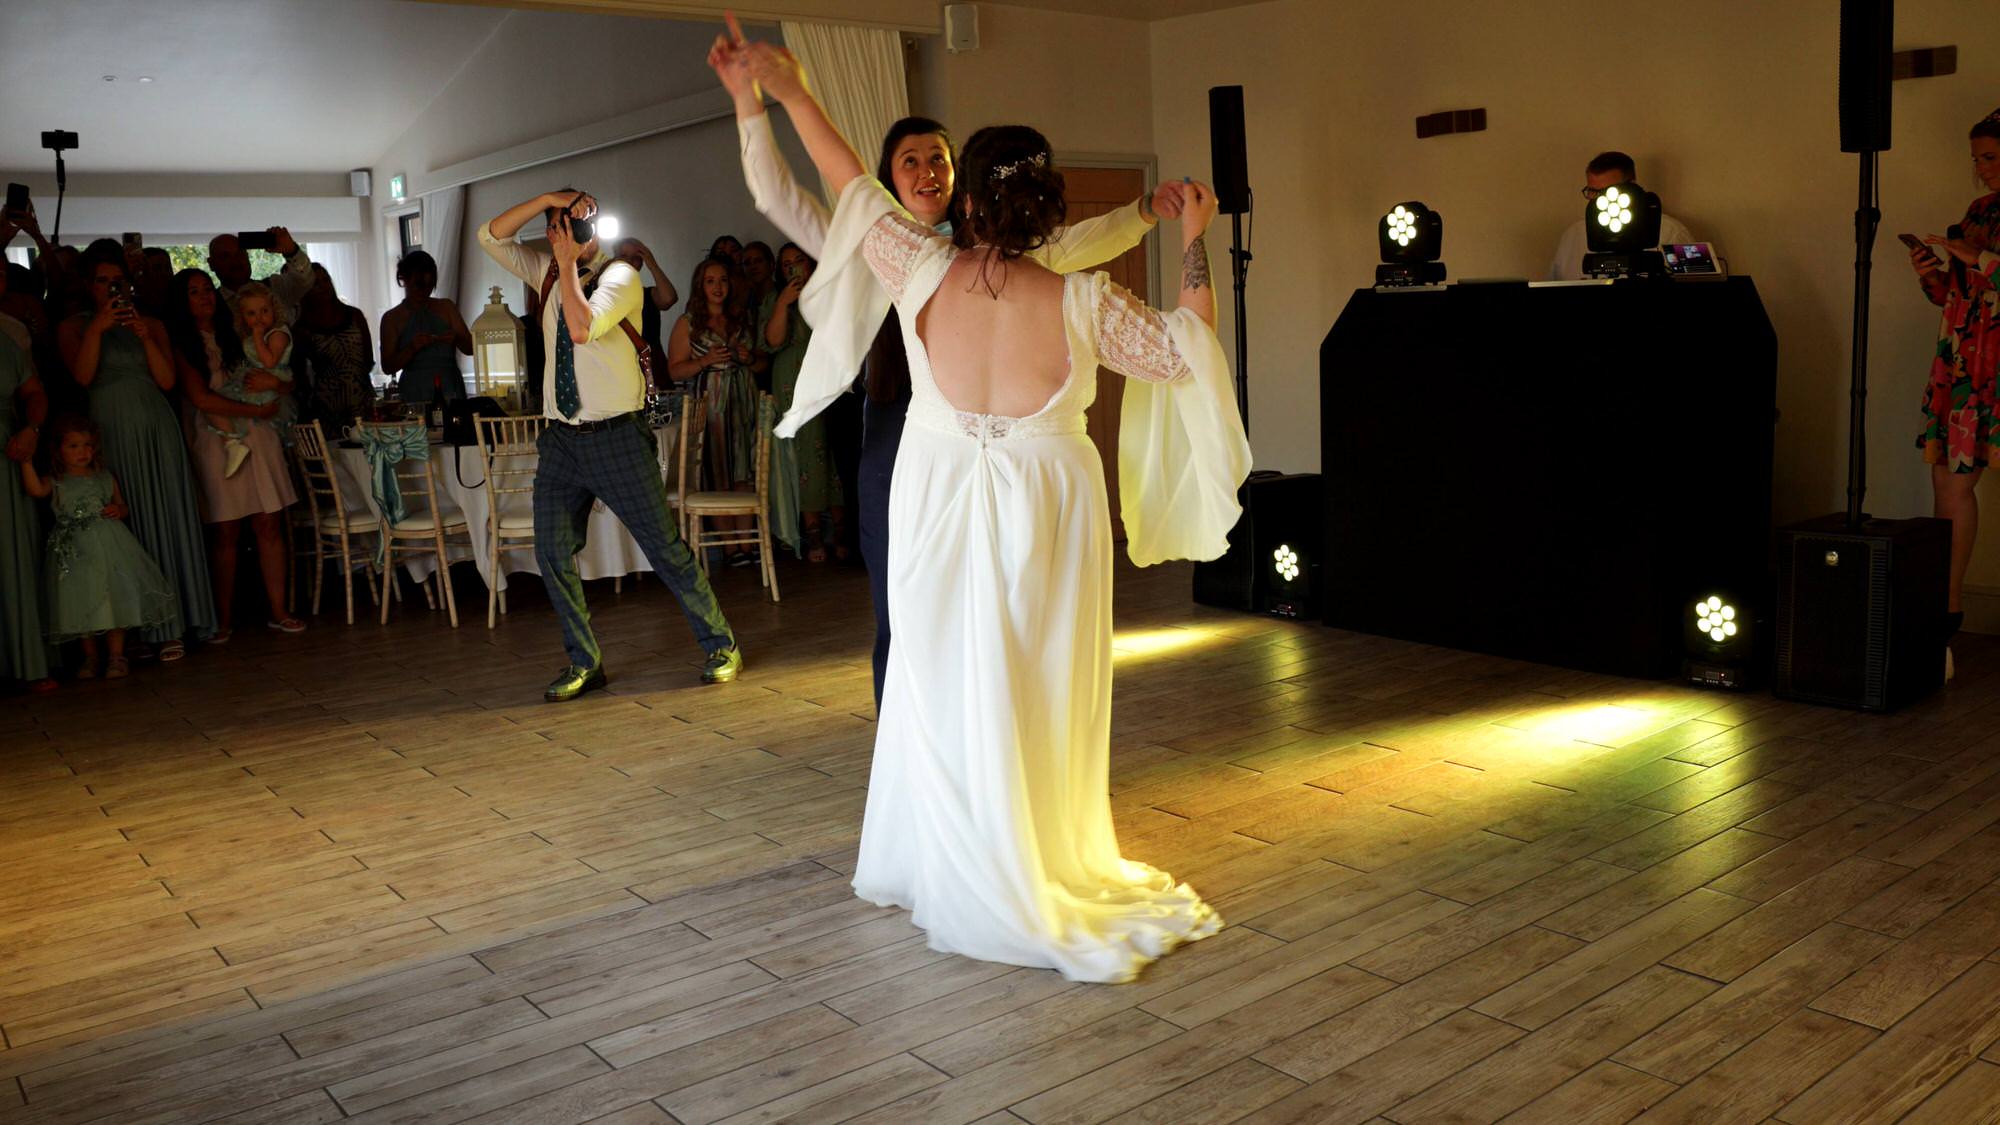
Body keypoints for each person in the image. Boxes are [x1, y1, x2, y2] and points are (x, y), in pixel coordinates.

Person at [730, 35, 1250, 982]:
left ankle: (943, 855)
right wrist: (1195, 238)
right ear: (1046, 207)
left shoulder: (917, 269)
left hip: (933, 498)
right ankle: (1033, 855)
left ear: (965, 199)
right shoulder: (1084, 299)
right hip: (1045, 508)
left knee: (936, 676)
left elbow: (847, 181)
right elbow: (1190, 352)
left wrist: (791, 89)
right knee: (1035, 683)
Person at [713, 32, 1184, 709]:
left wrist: (1144, 212)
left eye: (939, 158)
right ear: (888, 177)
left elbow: (1079, 243)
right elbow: (777, 194)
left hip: (990, 443)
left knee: (992, 603)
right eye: (910, 161)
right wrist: (748, 103)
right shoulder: (869, 240)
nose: (928, 170)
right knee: (904, 601)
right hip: (891, 434)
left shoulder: (999, 256)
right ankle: (905, 740)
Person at [478, 189, 741, 699]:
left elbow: (581, 329)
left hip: (617, 435)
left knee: (665, 549)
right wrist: (547, 200)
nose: (559, 232)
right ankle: (584, 662)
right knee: (552, 552)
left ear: (590, 231)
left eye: (568, 224)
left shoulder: (620, 276)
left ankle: (721, 644)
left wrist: (565, 261)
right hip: (560, 441)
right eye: (555, 225)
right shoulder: (549, 272)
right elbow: (489, 235)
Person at [62, 251, 214, 658]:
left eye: (118, 281)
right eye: (102, 281)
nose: (112, 288)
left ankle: (178, 623)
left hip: (155, 426)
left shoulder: (154, 325)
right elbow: (81, 376)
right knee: (124, 526)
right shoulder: (74, 328)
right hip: (109, 430)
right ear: (89, 285)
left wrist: (144, 336)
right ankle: (134, 630)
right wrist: (99, 328)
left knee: (167, 517)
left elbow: (166, 380)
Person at [169, 268, 304, 640]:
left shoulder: (239, 332)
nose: (204, 297)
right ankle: (222, 617)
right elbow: (200, 397)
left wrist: (278, 385)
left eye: (207, 289)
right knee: (225, 528)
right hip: (216, 437)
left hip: (260, 435)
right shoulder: (182, 343)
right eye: (194, 292)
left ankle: (278, 609)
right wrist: (254, 411)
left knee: (268, 522)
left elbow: (280, 371)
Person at [1911, 107, 2000, 637]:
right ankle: (1946, 607)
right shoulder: (1977, 211)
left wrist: (1978, 257)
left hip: (1992, 357)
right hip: (1964, 355)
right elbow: (1962, 295)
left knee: (1956, 480)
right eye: (1977, 159)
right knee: (1946, 479)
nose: (1982, 168)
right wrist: (1933, 276)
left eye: (1989, 157)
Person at [21, 415, 179, 680]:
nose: (83, 452)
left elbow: (122, 505)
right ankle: (91, 657)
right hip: (75, 550)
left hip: (108, 543)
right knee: (79, 599)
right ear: (58, 449)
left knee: (114, 595)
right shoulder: (57, 480)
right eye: (73, 446)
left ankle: (117, 655)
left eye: (87, 445)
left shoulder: (104, 476)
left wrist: (118, 509)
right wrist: (26, 461)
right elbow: (37, 490)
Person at [667, 255, 760, 562]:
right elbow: (674, 371)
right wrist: (704, 361)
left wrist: (747, 358)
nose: (717, 287)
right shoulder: (688, 323)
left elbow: (763, 362)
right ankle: (730, 546)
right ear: (700, 286)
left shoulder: (741, 317)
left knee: (743, 470)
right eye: (710, 281)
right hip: (712, 404)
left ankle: (748, 543)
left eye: (722, 280)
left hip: (743, 400)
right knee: (717, 471)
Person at [761, 243, 843, 561]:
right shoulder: (774, 299)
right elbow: (772, 340)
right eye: (787, 265)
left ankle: (841, 527)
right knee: (805, 454)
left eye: (800, 261)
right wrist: (784, 302)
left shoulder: (829, 291)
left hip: (828, 379)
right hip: (791, 383)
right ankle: (812, 533)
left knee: (834, 452)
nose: (794, 268)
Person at [1, 329, 54, 692]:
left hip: (7, 447)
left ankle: (27, 661)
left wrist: (31, 428)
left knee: (14, 550)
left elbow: (34, 392)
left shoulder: (5, 342)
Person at [1548, 151, 1696, 281]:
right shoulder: (1572, 236)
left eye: (1608, 192)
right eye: (1593, 191)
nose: (1599, 201)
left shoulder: (1671, 233)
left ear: (1632, 186)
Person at [197, 283, 292, 476]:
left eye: (264, 311)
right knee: (212, 407)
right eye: (251, 314)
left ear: (274, 309)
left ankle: (233, 444)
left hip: (270, 381)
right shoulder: (249, 335)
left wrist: (257, 337)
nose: (259, 318)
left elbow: (269, 361)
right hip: (253, 379)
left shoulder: (278, 334)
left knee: (217, 406)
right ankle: (232, 444)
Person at [380, 250, 472, 406]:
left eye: (429, 286)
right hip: (414, 389)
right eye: (418, 285)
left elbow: (471, 348)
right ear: (404, 279)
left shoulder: (446, 307)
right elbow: (388, 367)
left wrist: (456, 337)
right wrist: (412, 348)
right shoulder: (392, 318)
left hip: (449, 384)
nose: (424, 291)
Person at [293, 263, 377, 430]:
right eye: (316, 283)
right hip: (327, 404)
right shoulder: (302, 328)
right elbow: (301, 375)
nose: (323, 286)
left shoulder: (354, 315)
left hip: (361, 398)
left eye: (326, 280)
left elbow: (368, 359)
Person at [208, 227, 314, 324]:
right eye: (225, 257)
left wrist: (291, 250)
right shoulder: (209, 304)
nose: (235, 261)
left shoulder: (273, 288)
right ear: (211, 264)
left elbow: (304, 279)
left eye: (240, 253)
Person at [610, 237, 682, 360]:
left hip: (652, 365)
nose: (630, 261)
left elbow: (669, 299)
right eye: (623, 255)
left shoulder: (648, 294)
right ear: (614, 259)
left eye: (636, 258)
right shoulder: (606, 295)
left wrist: (652, 264)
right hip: (619, 362)